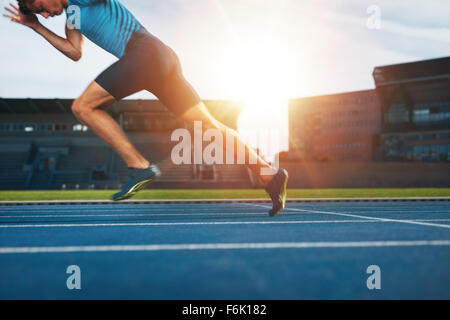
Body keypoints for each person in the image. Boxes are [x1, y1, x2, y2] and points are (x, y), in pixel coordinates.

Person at [3, 0, 288, 216]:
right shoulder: (71, 18)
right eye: (38, 14)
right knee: (208, 126)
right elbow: (75, 53)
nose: (43, 14)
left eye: (38, 7)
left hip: (145, 53)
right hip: (159, 59)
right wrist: (36, 27)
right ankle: (269, 173)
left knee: (83, 107)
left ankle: (140, 166)